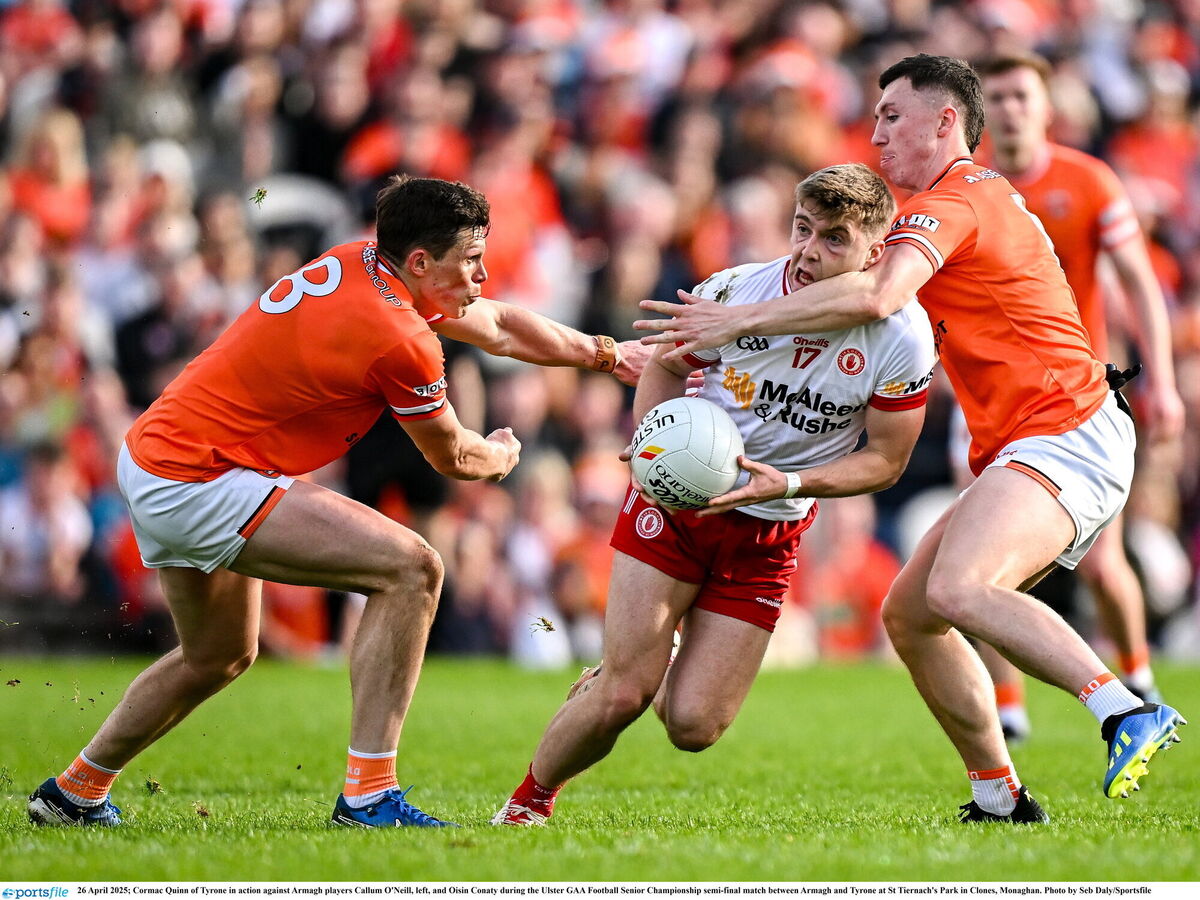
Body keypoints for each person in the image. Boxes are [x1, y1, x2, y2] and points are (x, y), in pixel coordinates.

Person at [635, 55, 1186, 822]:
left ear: (946, 122)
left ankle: (1125, 710)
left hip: (1066, 427)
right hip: (1038, 434)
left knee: (961, 588)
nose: (877, 131)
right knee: (911, 614)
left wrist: (732, 321)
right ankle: (1000, 796)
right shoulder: (954, 200)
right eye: (875, 114)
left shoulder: (954, 197)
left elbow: (878, 292)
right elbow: (855, 286)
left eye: (893, 114)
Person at [27, 175, 648, 830]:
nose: (483, 273)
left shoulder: (363, 260)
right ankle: (369, 796)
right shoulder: (399, 338)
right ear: (420, 262)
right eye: (471, 260)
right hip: (199, 475)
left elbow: (495, 324)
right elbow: (452, 458)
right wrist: (498, 453)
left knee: (218, 655)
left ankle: (74, 792)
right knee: (413, 570)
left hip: (157, 455)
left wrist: (605, 354)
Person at [492, 163, 936, 826]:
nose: (809, 250)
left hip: (769, 528)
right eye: (802, 229)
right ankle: (527, 806)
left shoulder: (902, 340)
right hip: (677, 505)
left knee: (694, 725)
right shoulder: (734, 289)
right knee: (624, 695)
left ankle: (641, 658)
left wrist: (787, 483)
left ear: (877, 252)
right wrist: (652, 441)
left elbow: (887, 461)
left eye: (834, 239)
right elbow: (668, 362)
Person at [970, 51, 1186, 741]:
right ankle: (1008, 708)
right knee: (981, 560)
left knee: (1100, 561)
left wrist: (1167, 383)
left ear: (1045, 105)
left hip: (1075, 398)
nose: (1009, 110)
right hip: (990, 396)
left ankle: (1140, 676)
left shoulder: (1086, 181)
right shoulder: (969, 185)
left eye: (1020, 96)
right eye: (996, 98)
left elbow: (1139, 284)